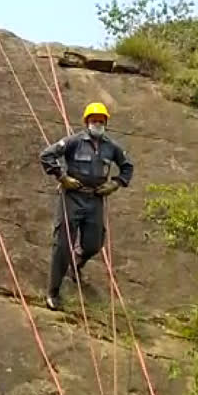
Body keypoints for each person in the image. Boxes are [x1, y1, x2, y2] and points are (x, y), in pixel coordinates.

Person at [39, 103, 134, 311]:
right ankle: (53, 292)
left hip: (95, 199)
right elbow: (47, 155)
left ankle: (77, 264)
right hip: (72, 197)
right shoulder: (73, 141)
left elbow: (127, 166)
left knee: (94, 243)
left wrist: (115, 184)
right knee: (63, 245)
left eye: (101, 120)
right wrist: (62, 177)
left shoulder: (112, 147)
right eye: (93, 120)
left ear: (106, 123)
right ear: (86, 122)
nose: (97, 124)